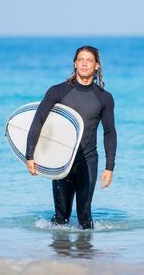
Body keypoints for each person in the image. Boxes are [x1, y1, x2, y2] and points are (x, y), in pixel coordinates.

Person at [25, 45, 117, 229]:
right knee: (61, 217)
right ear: (75, 64)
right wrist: (30, 155)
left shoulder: (104, 98)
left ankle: (86, 257)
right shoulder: (58, 92)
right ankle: (59, 257)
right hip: (61, 160)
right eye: (81, 60)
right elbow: (39, 121)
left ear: (97, 66)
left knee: (85, 216)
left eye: (89, 60)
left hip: (88, 160)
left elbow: (110, 132)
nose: (84, 64)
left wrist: (109, 167)